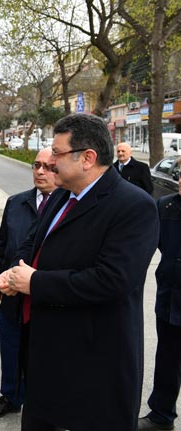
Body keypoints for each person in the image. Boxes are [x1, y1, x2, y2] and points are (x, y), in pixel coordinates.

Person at [0, 113, 159, 431]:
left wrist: (35, 283)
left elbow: (112, 280)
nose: (51, 162)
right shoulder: (61, 196)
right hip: (45, 355)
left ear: (87, 158)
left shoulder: (134, 206)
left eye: (57, 153)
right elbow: (30, 246)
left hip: (94, 364)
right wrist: (12, 273)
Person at [0, 148, 56, 419]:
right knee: (11, 347)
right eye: (36, 165)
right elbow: (1, 244)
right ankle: (10, 396)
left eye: (48, 167)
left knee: (42, 353)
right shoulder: (17, 202)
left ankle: (42, 402)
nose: (40, 171)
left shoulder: (67, 207)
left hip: (47, 295)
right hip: (11, 292)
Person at [138, 164, 181, 431]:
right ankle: (161, 416)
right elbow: (149, 245)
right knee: (167, 359)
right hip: (170, 297)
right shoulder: (165, 206)